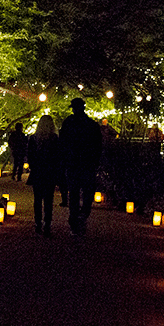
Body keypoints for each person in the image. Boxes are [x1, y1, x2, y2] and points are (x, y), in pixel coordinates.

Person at [58, 97, 102, 234]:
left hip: (74, 163)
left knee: (75, 194)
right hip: (86, 164)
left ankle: (75, 220)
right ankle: (81, 217)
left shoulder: (69, 123)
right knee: (86, 193)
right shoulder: (91, 124)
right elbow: (98, 146)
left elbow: (62, 144)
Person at [26, 114, 60, 236]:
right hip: (49, 172)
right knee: (48, 199)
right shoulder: (54, 139)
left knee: (37, 199)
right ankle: (47, 224)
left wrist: (33, 166)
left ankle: (38, 223)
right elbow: (58, 157)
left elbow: (30, 156)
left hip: (38, 172)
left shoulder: (34, 138)